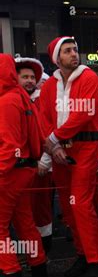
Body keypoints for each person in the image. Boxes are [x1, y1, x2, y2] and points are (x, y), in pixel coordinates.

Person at [41, 36, 98, 277]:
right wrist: (54, 146)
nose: (73, 54)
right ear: (57, 58)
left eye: (75, 49)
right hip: (60, 151)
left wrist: (54, 138)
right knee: (69, 210)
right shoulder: (49, 86)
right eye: (67, 51)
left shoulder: (89, 77)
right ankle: (83, 255)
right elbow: (43, 117)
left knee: (81, 205)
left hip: (85, 147)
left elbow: (86, 112)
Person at [0, 54, 49, 277]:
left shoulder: (7, 100)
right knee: (24, 223)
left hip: (10, 173)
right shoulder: (20, 97)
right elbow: (39, 135)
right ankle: (39, 272)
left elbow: (9, 146)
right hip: (24, 171)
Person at [15, 57, 54, 254]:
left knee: (41, 207)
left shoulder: (41, 100)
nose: (30, 80)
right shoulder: (10, 100)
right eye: (25, 77)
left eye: (32, 77)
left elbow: (47, 132)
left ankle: (42, 251)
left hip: (39, 164)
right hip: (15, 168)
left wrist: (44, 161)